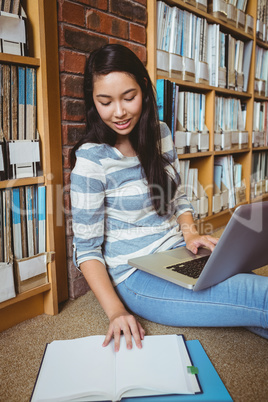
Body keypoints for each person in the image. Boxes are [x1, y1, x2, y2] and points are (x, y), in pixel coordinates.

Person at [70, 44, 268, 351]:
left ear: (144, 91)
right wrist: (116, 311)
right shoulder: (91, 161)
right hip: (136, 277)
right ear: (93, 102)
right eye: (105, 102)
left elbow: (177, 197)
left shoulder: (159, 133)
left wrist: (191, 234)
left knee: (250, 293)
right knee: (259, 296)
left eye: (129, 97)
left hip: (178, 254)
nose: (119, 112)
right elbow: (87, 250)